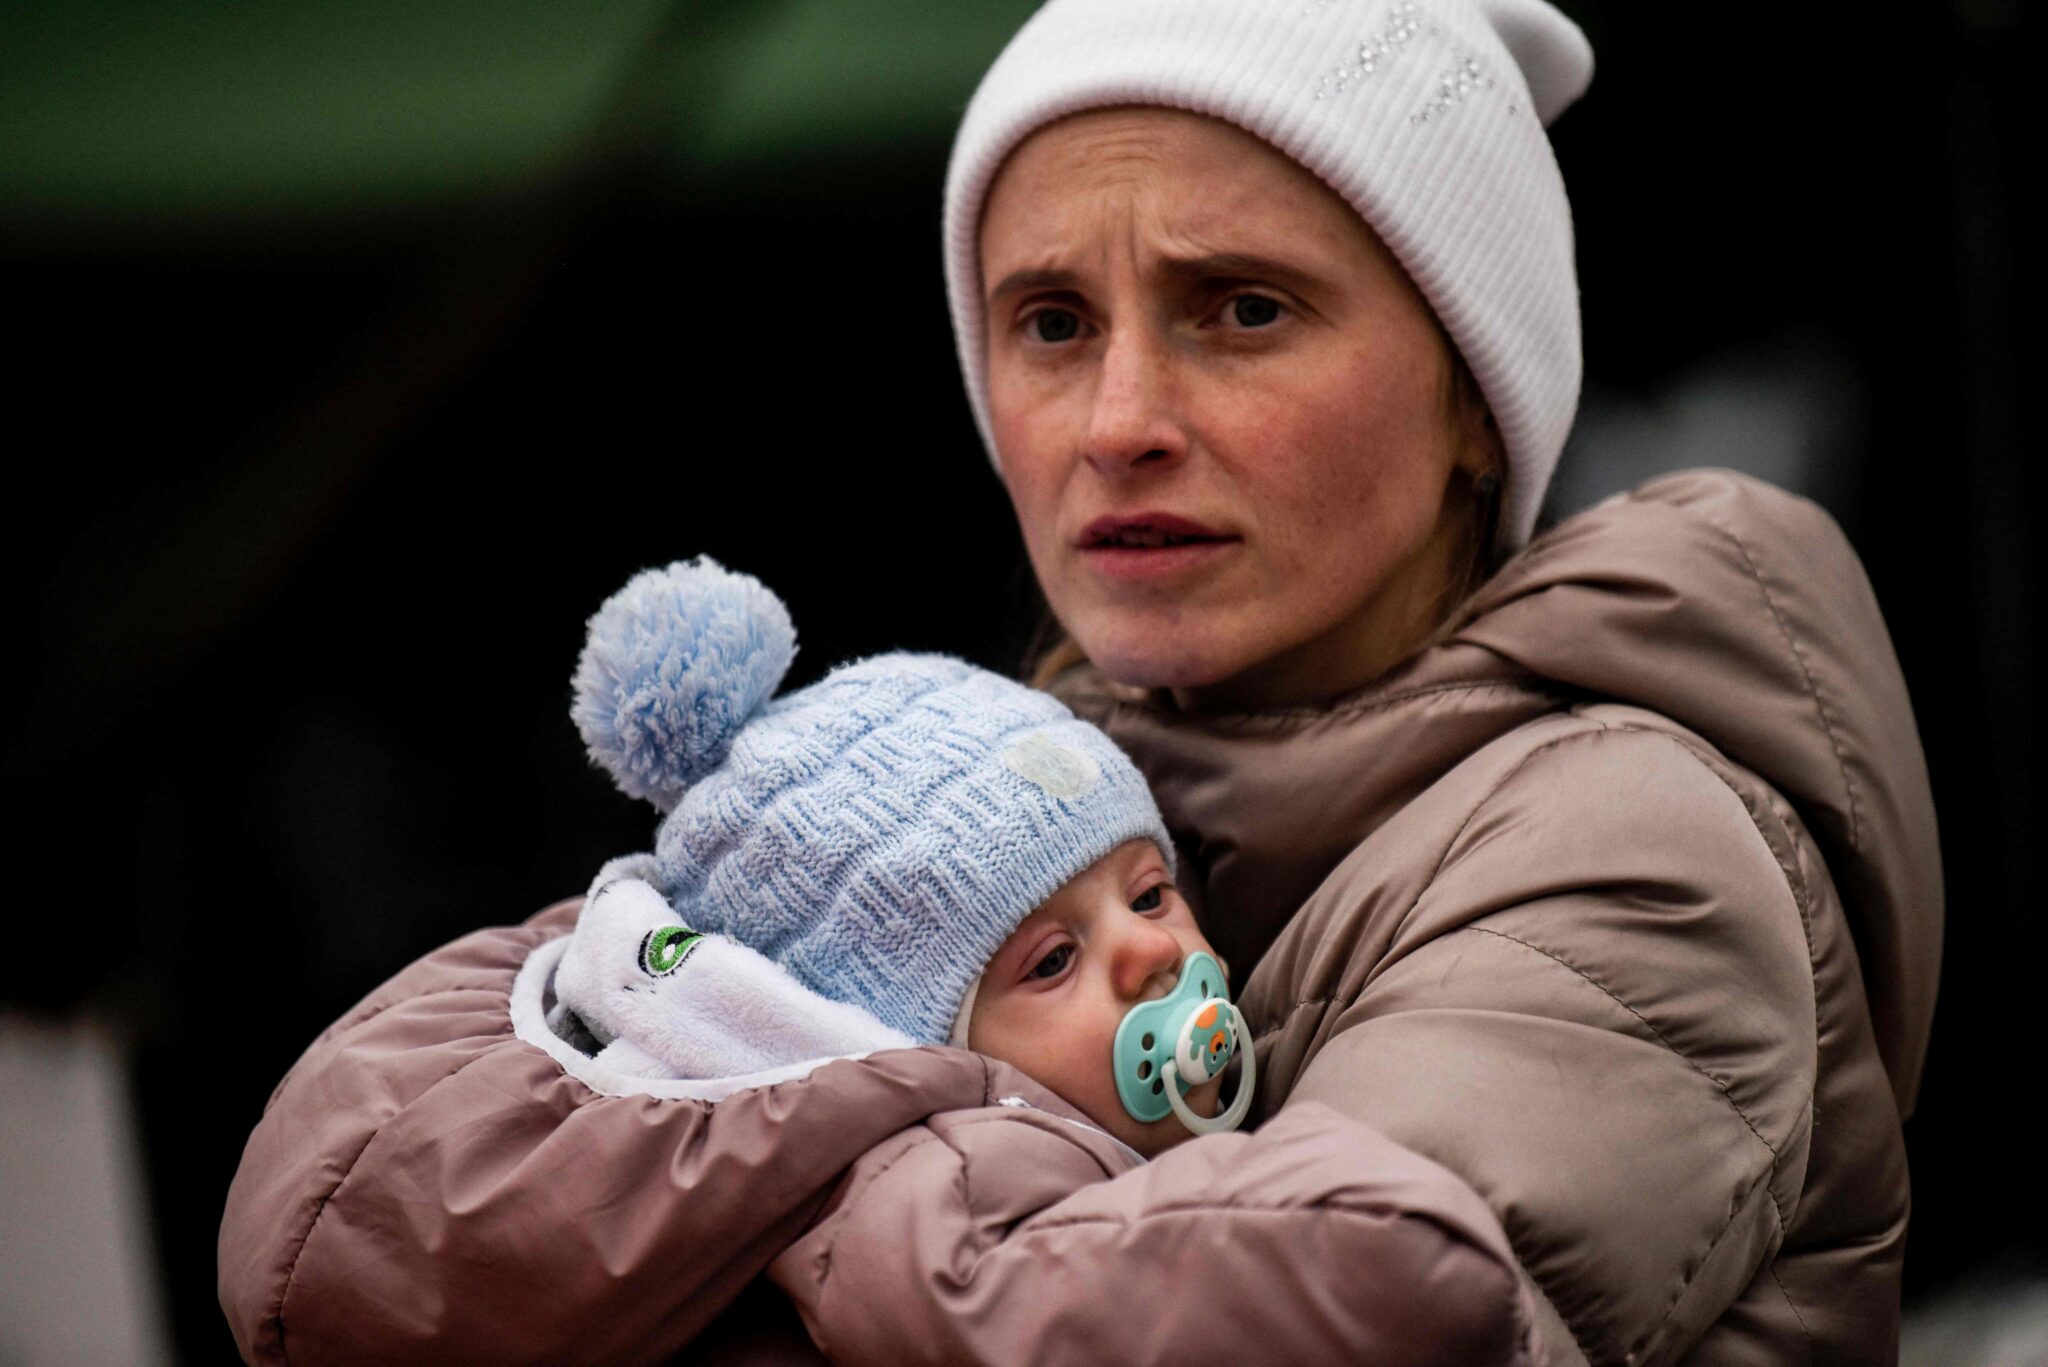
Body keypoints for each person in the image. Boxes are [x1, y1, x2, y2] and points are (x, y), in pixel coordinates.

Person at [221, 0, 1942, 1363]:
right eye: (1049, 321)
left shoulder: (1634, 846)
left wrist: (764, 1140)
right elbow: (333, 1242)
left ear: (1473, 405)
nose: (1118, 420)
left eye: (1242, 307)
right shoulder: (991, 782)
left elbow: (1345, 1304)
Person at [547, 557, 1249, 1155]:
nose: (1155, 947)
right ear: (895, 1048)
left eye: (1151, 894)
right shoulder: (944, 1207)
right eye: (1054, 959)